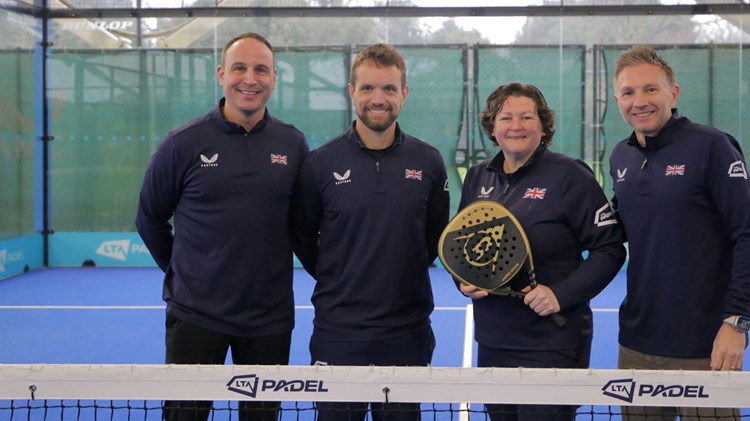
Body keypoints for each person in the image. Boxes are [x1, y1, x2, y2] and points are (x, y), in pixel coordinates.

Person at [135, 32, 309, 421]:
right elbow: (149, 218)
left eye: (261, 69)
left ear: (274, 78)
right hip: (195, 319)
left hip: (269, 321)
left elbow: (302, 225)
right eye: (240, 68)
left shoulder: (293, 144)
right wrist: (184, 271)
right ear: (221, 74)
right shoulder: (181, 143)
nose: (250, 78)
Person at [292, 43, 450, 421]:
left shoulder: (428, 161)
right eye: (367, 88)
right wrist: (340, 276)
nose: (377, 99)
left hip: (407, 333)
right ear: (351, 92)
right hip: (338, 334)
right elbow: (301, 235)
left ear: (404, 94)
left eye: (389, 89)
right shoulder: (319, 163)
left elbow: (434, 236)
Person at [458, 82, 626, 420]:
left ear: (543, 125)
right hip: (494, 342)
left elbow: (609, 248)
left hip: (553, 345)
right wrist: (463, 280)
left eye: (526, 117)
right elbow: (463, 246)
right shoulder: (478, 178)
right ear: (492, 126)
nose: (516, 125)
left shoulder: (570, 176)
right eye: (505, 117)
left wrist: (560, 294)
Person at [609, 45, 750, 419]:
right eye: (628, 92)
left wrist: (736, 322)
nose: (639, 101)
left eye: (650, 89)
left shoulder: (712, 147)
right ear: (617, 100)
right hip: (636, 344)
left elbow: (746, 234)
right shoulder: (620, 157)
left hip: (707, 346)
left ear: (673, 93)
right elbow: (612, 231)